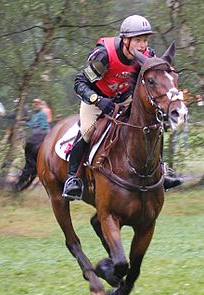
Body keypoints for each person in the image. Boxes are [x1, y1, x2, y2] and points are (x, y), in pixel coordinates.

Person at [62, 15, 183, 201]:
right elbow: (80, 83)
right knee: (87, 131)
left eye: (145, 40)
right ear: (125, 40)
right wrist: (98, 100)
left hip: (125, 98)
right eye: (138, 40)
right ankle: (73, 179)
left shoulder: (147, 57)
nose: (143, 45)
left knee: (153, 125)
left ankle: (161, 171)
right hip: (96, 99)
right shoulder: (104, 55)